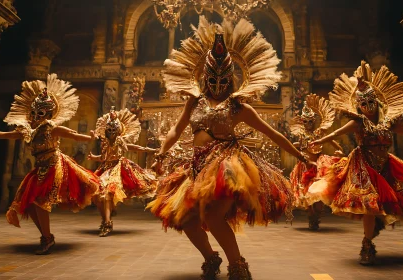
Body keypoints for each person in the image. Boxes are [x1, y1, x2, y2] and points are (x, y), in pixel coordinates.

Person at [147, 17, 307, 280]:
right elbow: (176, 130)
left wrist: (300, 155)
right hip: (196, 166)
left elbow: (274, 133)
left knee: (213, 217)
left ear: (231, 77)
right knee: (186, 219)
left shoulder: (239, 108)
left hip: (226, 167)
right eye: (212, 77)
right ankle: (211, 257)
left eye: (222, 78)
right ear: (205, 76)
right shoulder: (194, 102)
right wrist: (162, 152)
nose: (216, 83)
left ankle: (238, 266)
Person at [308, 61, 403, 265]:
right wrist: (321, 140)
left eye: (369, 103)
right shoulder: (357, 121)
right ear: (358, 105)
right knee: (368, 204)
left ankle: (373, 229)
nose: (366, 107)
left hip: (385, 165)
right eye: (362, 104)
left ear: (377, 102)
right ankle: (367, 245)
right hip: (363, 165)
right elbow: (338, 132)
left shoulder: (387, 122)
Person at [0, 74, 99, 254]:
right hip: (39, 168)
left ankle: (46, 238)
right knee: (29, 203)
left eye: (40, 113)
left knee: (40, 202)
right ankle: (46, 236)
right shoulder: (28, 132)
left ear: (48, 114)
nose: (35, 116)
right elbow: (4, 135)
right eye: (33, 113)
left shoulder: (52, 128)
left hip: (55, 166)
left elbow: (75, 135)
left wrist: (90, 137)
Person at [88, 107, 157, 237]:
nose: (111, 132)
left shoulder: (120, 141)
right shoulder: (104, 143)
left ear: (119, 130)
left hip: (117, 169)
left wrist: (149, 150)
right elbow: (104, 157)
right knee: (96, 196)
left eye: (114, 130)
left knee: (107, 194)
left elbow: (135, 147)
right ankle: (105, 219)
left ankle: (107, 222)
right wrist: (94, 158)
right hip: (105, 169)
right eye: (109, 130)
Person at [289, 94, 344, 230]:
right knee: (306, 193)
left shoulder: (320, 133)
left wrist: (340, 151)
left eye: (311, 121)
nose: (308, 124)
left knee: (319, 193)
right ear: (302, 121)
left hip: (320, 166)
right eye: (306, 121)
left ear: (315, 121)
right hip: (305, 166)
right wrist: (295, 148)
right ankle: (311, 216)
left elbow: (334, 143)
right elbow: (297, 146)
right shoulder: (301, 136)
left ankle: (316, 215)